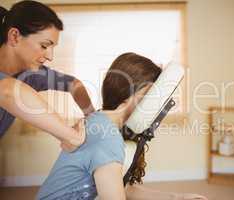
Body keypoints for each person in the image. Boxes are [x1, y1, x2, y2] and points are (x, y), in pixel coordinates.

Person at [37, 52, 207, 200]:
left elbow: (120, 187)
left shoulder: (100, 120)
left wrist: (175, 197)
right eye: (150, 96)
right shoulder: (107, 137)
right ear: (133, 94)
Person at [0, 1, 95, 151]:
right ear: (14, 36)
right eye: (44, 46)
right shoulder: (8, 87)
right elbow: (7, 91)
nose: (50, 56)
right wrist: (72, 136)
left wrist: (92, 118)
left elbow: (74, 84)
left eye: (52, 48)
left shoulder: (31, 74)